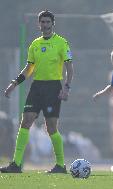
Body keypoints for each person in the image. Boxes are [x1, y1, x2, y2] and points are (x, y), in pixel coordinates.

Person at [2, 10, 73, 173]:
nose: (45, 25)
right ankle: (16, 164)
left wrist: (66, 88)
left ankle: (61, 165)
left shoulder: (62, 43)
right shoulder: (35, 44)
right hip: (37, 87)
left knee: (51, 127)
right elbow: (29, 68)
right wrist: (14, 84)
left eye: (48, 22)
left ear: (52, 24)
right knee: (26, 121)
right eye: (43, 22)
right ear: (39, 24)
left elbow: (70, 67)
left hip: (53, 88)